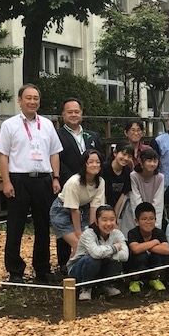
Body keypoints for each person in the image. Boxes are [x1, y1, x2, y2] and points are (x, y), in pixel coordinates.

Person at [0, 84, 63, 283]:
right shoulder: (10, 125)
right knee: (15, 225)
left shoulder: (48, 124)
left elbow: (54, 153)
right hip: (19, 178)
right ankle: (15, 270)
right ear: (20, 100)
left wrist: (56, 177)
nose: (32, 101)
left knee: (43, 225)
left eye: (35, 98)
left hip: (43, 179)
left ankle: (42, 269)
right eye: (28, 98)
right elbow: (2, 155)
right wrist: (6, 181)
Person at [56, 97, 103, 273]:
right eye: (70, 112)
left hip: (90, 186)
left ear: (82, 114)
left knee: (86, 222)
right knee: (67, 223)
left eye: (77, 111)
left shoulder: (92, 135)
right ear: (63, 115)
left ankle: (84, 260)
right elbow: (57, 159)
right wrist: (74, 178)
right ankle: (63, 262)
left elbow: (100, 158)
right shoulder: (58, 135)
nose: (74, 115)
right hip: (69, 184)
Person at [50, 149, 106, 259]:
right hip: (62, 211)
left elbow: (95, 208)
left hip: (83, 210)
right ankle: (71, 272)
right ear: (84, 164)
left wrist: (92, 231)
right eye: (90, 162)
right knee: (79, 245)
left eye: (98, 162)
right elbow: (73, 209)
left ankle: (77, 270)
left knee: (89, 244)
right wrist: (79, 233)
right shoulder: (74, 182)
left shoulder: (100, 182)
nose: (95, 165)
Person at [67, 205, 128, 301]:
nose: (108, 223)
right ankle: (86, 288)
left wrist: (104, 252)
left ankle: (106, 285)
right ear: (96, 221)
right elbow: (96, 254)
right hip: (79, 269)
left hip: (102, 266)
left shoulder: (117, 234)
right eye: (104, 220)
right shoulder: (88, 233)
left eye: (112, 219)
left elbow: (125, 255)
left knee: (116, 259)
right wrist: (114, 248)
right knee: (92, 259)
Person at [126, 202, 169, 293]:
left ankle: (154, 279)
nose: (148, 222)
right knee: (139, 255)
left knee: (159, 255)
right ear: (137, 221)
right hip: (136, 266)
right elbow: (135, 249)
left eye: (151, 219)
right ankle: (135, 281)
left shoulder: (159, 232)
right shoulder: (132, 233)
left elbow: (166, 250)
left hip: (152, 264)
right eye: (144, 219)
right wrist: (155, 242)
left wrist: (144, 246)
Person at [101, 142, 133, 236]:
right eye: (123, 154)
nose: (126, 158)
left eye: (129, 156)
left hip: (117, 207)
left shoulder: (127, 171)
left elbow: (123, 194)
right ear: (115, 153)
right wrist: (106, 214)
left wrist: (114, 216)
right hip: (101, 203)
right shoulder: (105, 168)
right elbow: (102, 192)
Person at [129, 148, 165, 230]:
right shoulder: (134, 176)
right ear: (141, 162)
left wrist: (155, 227)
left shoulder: (160, 178)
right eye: (149, 161)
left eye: (155, 161)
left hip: (152, 214)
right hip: (133, 214)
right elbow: (135, 201)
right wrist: (139, 223)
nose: (152, 164)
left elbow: (158, 203)